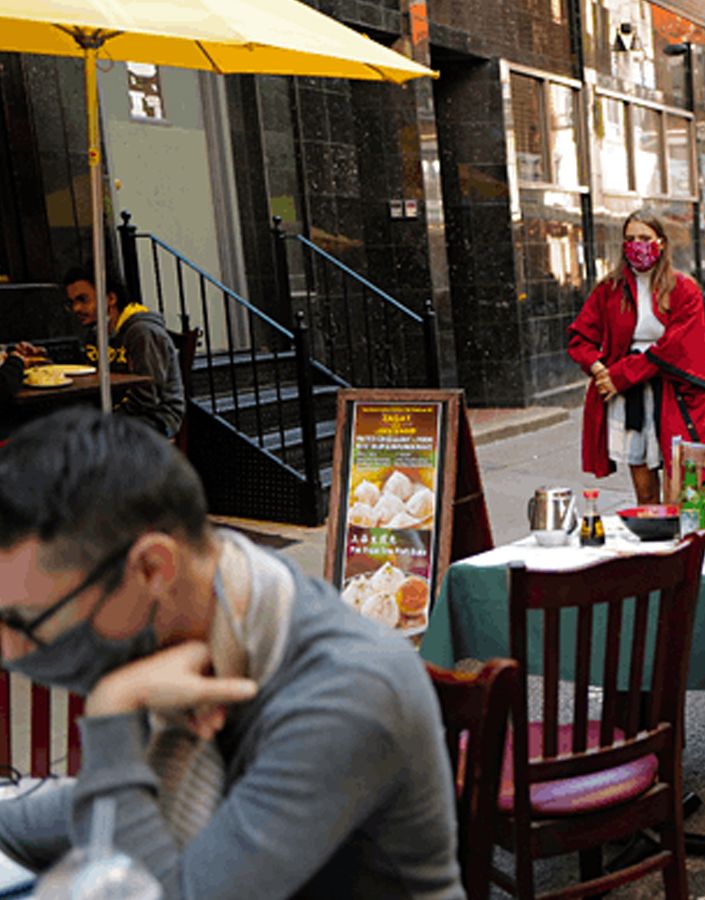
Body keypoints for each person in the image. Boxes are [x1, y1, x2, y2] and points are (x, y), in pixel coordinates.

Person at [0, 408, 463, 898]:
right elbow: (120, 802)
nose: (8, 648)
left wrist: (113, 711)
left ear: (153, 570)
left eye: (21, 620)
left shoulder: (347, 692)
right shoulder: (207, 621)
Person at [568, 210, 705, 504]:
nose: (637, 244)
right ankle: (652, 545)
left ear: (660, 242)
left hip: (673, 392)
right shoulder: (610, 289)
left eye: (645, 238)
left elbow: (675, 346)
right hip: (629, 394)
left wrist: (619, 376)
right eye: (630, 239)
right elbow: (580, 336)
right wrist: (598, 370)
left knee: (682, 489)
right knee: (645, 492)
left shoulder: (684, 289)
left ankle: (682, 548)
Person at [55, 267, 184, 438]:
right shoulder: (96, 333)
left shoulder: (142, 332)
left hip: (155, 417)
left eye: (83, 299)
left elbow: (148, 396)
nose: (76, 308)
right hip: (116, 413)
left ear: (111, 298)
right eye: (72, 302)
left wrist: (104, 422)